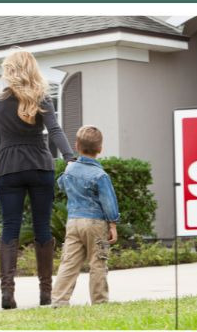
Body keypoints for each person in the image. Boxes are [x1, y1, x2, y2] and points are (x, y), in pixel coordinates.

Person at [0, 48, 75, 309]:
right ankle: (46, 294)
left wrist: (6, 158)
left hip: (8, 167)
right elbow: (55, 131)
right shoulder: (41, 97)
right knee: (43, 227)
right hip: (40, 165)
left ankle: (7, 293)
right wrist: (69, 157)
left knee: (10, 227)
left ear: (9, 70)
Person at [52, 126, 121, 307]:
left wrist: (69, 168)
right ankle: (99, 302)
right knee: (98, 262)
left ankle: (59, 301)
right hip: (95, 223)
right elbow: (109, 202)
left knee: (69, 262)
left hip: (73, 222)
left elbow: (61, 185)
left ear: (76, 146)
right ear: (100, 149)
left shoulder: (69, 170)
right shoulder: (100, 175)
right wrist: (113, 225)